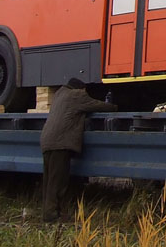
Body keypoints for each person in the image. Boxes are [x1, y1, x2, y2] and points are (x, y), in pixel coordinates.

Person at [39, 77, 117, 222]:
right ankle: (52, 215)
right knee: (59, 182)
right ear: (81, 89)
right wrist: (114, 107)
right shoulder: (77, 95)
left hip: (46, 141)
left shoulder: (59, 95)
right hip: (60, 143)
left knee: (49, 180)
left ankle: (50, 213)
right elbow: (96, 105)